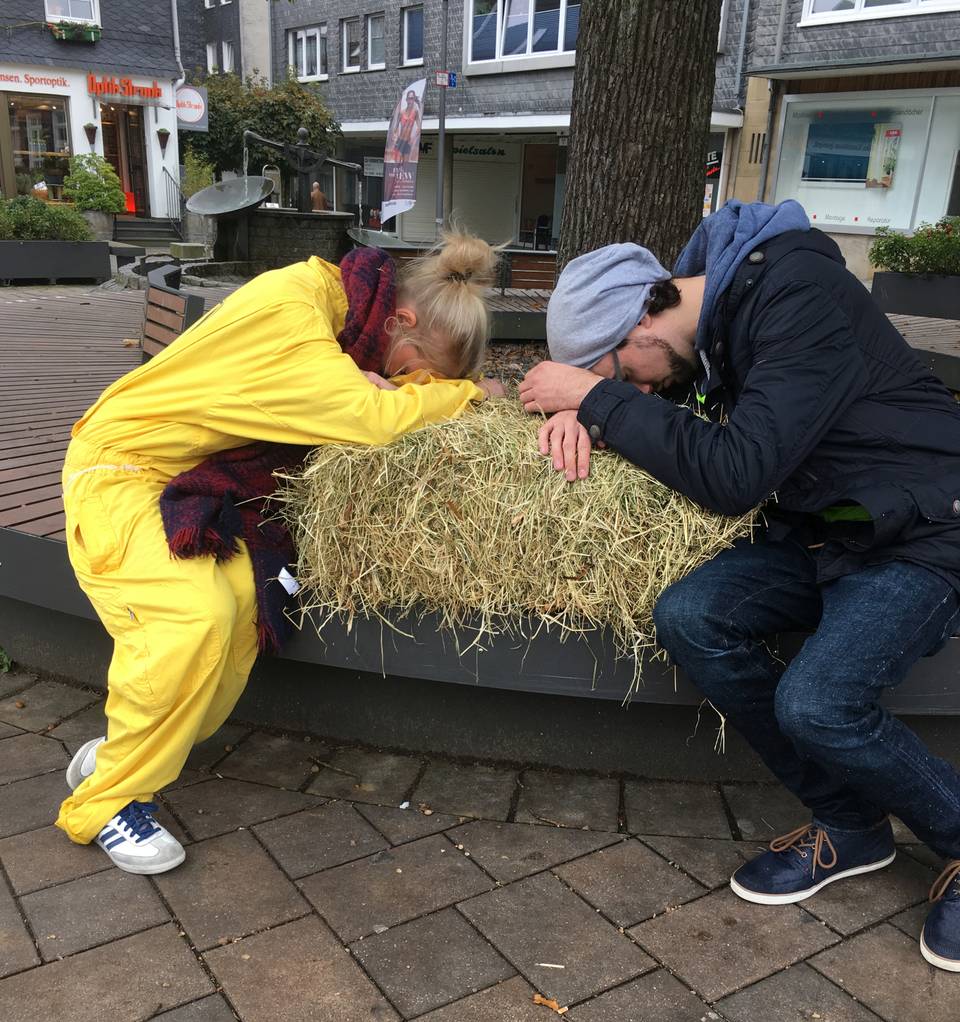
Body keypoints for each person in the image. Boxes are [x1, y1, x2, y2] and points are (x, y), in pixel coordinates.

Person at [519, 199, 960, 972]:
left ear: (640, 324)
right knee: (692, 614)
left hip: (922, 529)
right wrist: (586, 416)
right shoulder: (720, 321)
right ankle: (850, 826)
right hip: (835, 531)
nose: (639, 392)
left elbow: (734, 475)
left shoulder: (796, 297)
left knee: (818, 705)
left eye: (620, 375)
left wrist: (600, 400)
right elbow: (676, 412)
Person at [59, 232, 503, 875]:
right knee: (190, 620)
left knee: (242, 607)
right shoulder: (294, 323)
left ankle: (117, 757)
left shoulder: (323, 300)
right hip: (118, 473)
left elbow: (359, 401)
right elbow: (372, 419)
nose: (401, 383)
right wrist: (463, 394)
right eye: (413, 370)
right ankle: (107, 803)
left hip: (180, 475)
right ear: (400, 320)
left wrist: (397, 384)